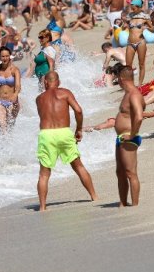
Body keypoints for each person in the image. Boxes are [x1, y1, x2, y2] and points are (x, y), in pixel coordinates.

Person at [35, 72, 97, 212]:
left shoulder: (39, 98)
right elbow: (78, 110)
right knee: (78, 166)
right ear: (59, 82)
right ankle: (94, 196)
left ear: (45, 82)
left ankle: (42, 207)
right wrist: (79, 129)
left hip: (46, 134)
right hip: (64, 132)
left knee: (44, 174)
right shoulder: (65, 93)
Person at [113, 65, 145, 207]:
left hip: (128, 137)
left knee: (130, 172)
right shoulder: (127, 94)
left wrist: (131, 135)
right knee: (120, 172)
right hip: (121, 138)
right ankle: (122, 202)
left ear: (121, 79)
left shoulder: (134, 94)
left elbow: (138, 117)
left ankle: (135, 204)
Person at [126, 0, 153, 86]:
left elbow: (153, 29)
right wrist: (124, 25)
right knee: (128, 66)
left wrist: (146, 27)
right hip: (130, 43)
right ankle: (131, 83)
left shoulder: (145, 16)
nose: (132, 9)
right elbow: (124, 27)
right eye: (131, 8)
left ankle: (140, 85)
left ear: (138, 7)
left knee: (141, 64)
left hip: (141, 42)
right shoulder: (130, 16)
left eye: (133, 8)